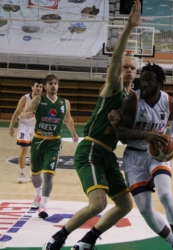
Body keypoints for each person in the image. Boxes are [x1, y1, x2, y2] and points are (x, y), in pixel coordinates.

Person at [42, 1, 144, 249]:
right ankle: (58, 238)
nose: (128, 70)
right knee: (98, 203)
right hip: (90, 150)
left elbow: (123, 135)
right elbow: (115, 60)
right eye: (126, 67)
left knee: (125, 205)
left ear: (137, 73)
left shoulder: (133, 101)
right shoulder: (113, 88)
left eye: (133, 68)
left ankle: (87, 241)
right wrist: (129, 28)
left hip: (108, 155)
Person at [108, 62, 173, 250]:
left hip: (157, 155)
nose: (143, 84)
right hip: (134, 158)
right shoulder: (131, 101)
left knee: (166, 195)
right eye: (142, 80)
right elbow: (120, 134)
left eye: (148, 81)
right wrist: (146, 135)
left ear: (160, 84)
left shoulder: (169, 102)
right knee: (145, 210)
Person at [20, 74, 78, 220]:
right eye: (50, 83)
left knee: (48, 173)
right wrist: (24, 115)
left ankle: (43, 205)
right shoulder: (39, 99)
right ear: (45, 86)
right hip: (39, 141)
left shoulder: (65, 103)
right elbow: (25, 111)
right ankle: (38, 195)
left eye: (55, 83)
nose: (53, 86)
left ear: (58, 86)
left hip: (54, 142)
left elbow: (68, 119)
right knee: (35, 174)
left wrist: (73, 132)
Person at [9, 80, 43, 183]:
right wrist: (11, 126)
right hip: (24, 126)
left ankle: (33, 174)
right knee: (24, 149)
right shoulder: (25, 98)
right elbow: (17, 112)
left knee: (35, 152)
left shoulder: (43, 100)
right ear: (32, 87)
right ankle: (22, 174)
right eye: (37, 86)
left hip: (36, 127)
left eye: (41, 87)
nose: (39, 88)